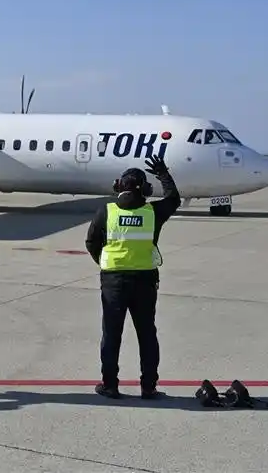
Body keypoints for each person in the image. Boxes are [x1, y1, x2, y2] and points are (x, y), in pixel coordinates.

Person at [84, 154, 181, 400]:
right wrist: (163, 174)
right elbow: (173, 199)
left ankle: (110, 385)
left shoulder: (106, 211)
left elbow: (91, 242)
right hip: (145, 281)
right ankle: (148, 386)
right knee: (147, 334)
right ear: (145, 190)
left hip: (113, 281)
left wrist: (105, 261)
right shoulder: (153, 212)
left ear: (118, 186)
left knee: (111, 334)